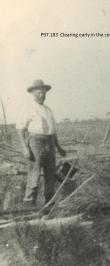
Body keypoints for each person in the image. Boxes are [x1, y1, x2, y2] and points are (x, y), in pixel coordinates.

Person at [17, 79, 66, 207]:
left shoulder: (48, 109)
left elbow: (52, 132)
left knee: (51, 174)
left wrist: (59, 148)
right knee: (35, 173)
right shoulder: (28, 108)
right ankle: (29, 205)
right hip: (35, 142)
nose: (41, 94)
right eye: (38, 92)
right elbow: (20, 129)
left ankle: (49, 205)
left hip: (49, 142)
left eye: (43, 92)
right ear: (33, 93)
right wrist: (24, 147)